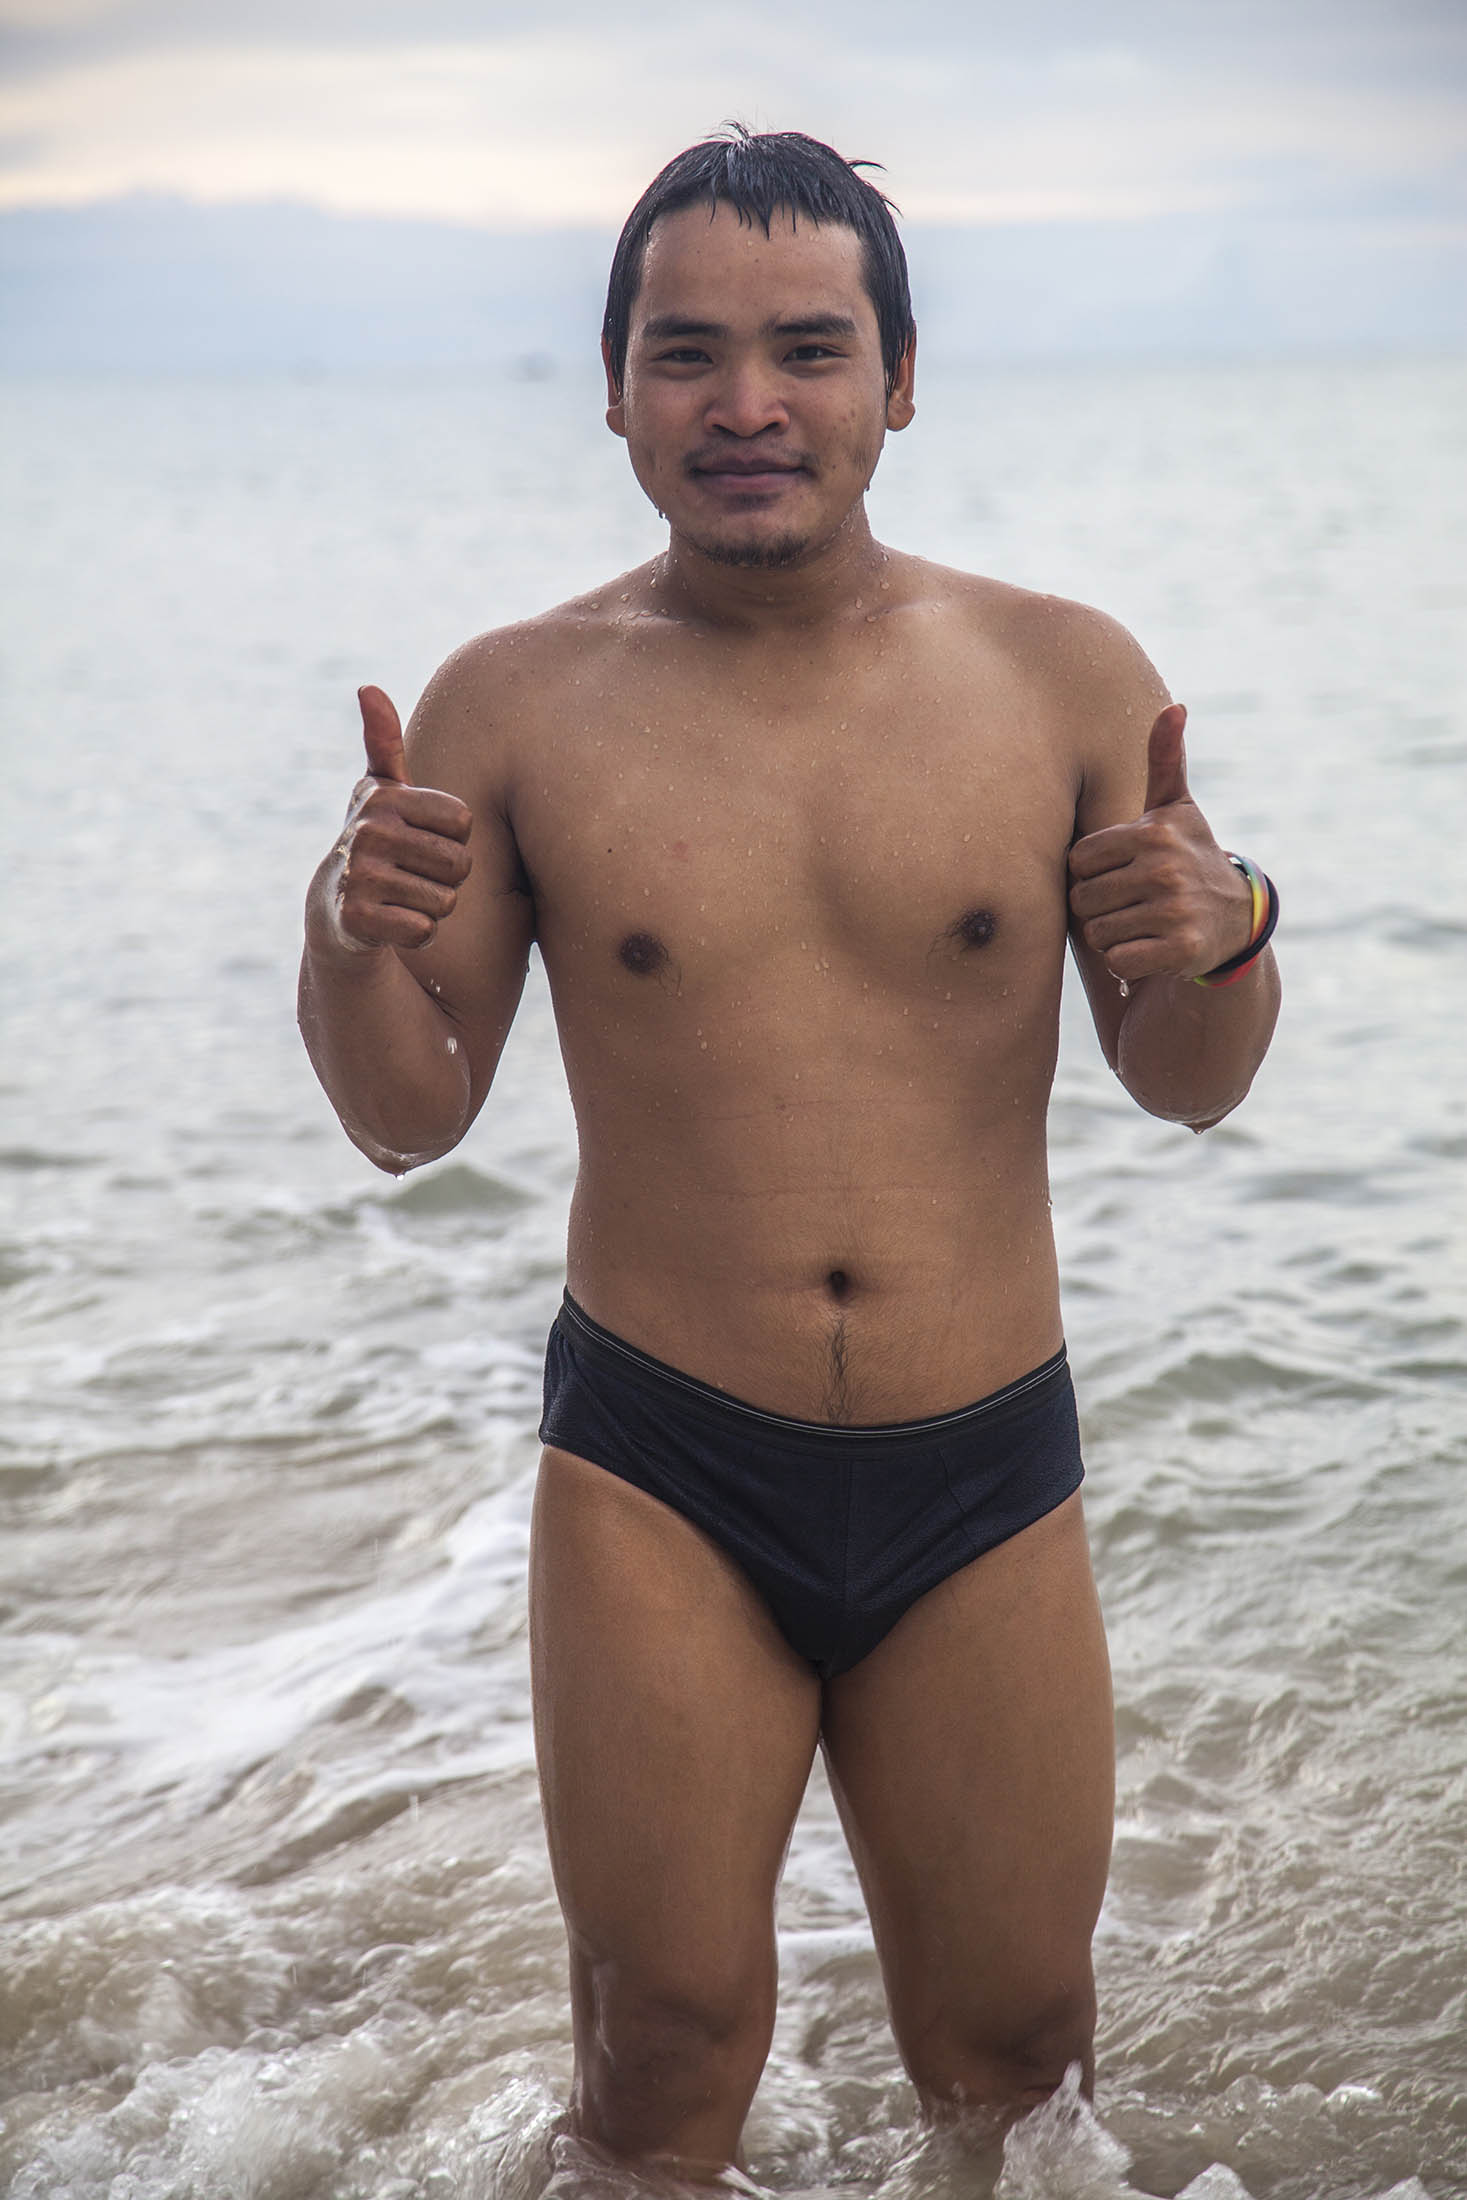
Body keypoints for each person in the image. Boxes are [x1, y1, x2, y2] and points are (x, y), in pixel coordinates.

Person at [298, 126, 1280, 2177]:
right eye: (685, 354)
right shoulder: (516, 701)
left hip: (978, 1456)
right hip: (664, 1459)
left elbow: (1186, 1078)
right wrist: (343, 938)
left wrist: (1231, 931)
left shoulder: (1059, 675)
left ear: (897, 381)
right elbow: (404, 1113)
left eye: (807, 349)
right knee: (659, 2057)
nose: (746, 404)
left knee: (1018, 2059)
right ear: (611, 387)